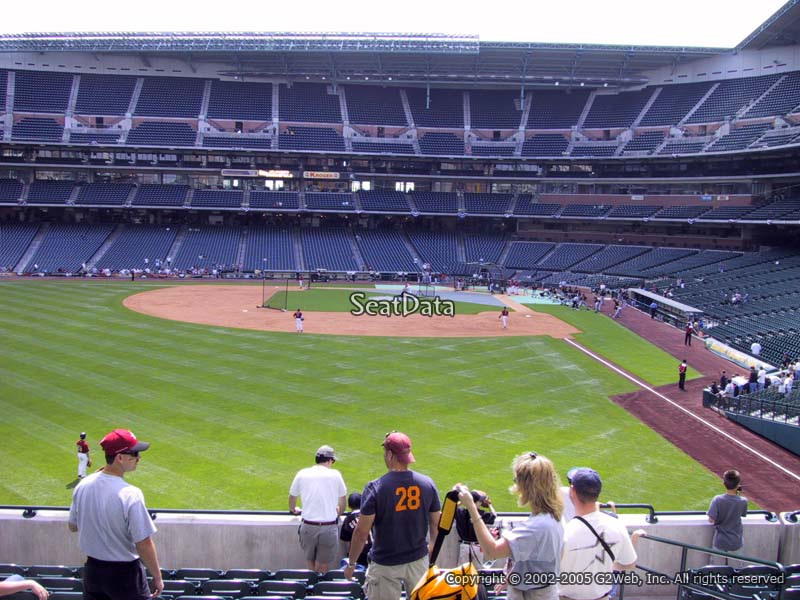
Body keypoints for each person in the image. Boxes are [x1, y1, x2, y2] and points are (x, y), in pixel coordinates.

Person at [343, 432, 441, 600]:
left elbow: (361, 532)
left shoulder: (375, 487)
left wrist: (351, 563)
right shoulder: (427, 483)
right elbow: (436, 524)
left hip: (385, 564)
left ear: (390, 454)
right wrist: (431, 547)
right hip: (418, 560)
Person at [68, 428, 163, 600]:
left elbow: (73, 526)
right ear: (120, 458)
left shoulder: (82, 486)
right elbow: (143, 542)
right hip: (125, 576)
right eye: (134, 454)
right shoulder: (130, 494)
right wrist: (157, 577)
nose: (138, 458)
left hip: (93, 573)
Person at [456, 452, 564, 600]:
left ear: (527, 487)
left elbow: (491, 551)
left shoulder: (536, 527)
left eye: (517, 480)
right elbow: (535, 561)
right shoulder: (553, 516)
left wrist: (472, 508)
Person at [560, 468, 645, 600]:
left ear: (572, 491)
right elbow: (630, 563)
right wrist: (607, 565)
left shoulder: (564, 531)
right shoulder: (616, 525)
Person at [289, 445, 347, 574]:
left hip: (308, 526)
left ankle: (313, 588)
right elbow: (343, 501)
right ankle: (318, 588)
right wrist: (339, 511)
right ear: (330, 460)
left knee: (310, 562)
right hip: (328, 527)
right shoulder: (335, 475)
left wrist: (293, 509)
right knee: (323, 565)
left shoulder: (302, 473)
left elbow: (292, 496)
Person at [708, 469, 748, 564]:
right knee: (737, 572)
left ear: (724, 483)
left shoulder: (717, 500)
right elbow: (742, 514)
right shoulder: (743, 501)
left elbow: (711, 520)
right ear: (738, 484)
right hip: (736, 540)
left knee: (716, 571)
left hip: (720, 540)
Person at [454, 489, 497, 566]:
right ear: (476, 503)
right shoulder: (481, 514)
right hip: (477, 547)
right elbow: (494, 515)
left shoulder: (461, 512)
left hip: (465, 546)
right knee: (477, 573)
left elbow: (451, 508)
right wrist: (490, 505)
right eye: (480, 501)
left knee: (462, 572)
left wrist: (463, 502)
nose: (481, 503)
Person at [340, 492, 371, 570]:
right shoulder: (370, 515)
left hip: (359, 555)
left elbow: (345, 539)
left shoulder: (349, 519)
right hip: (374, 552)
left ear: (349, 505)